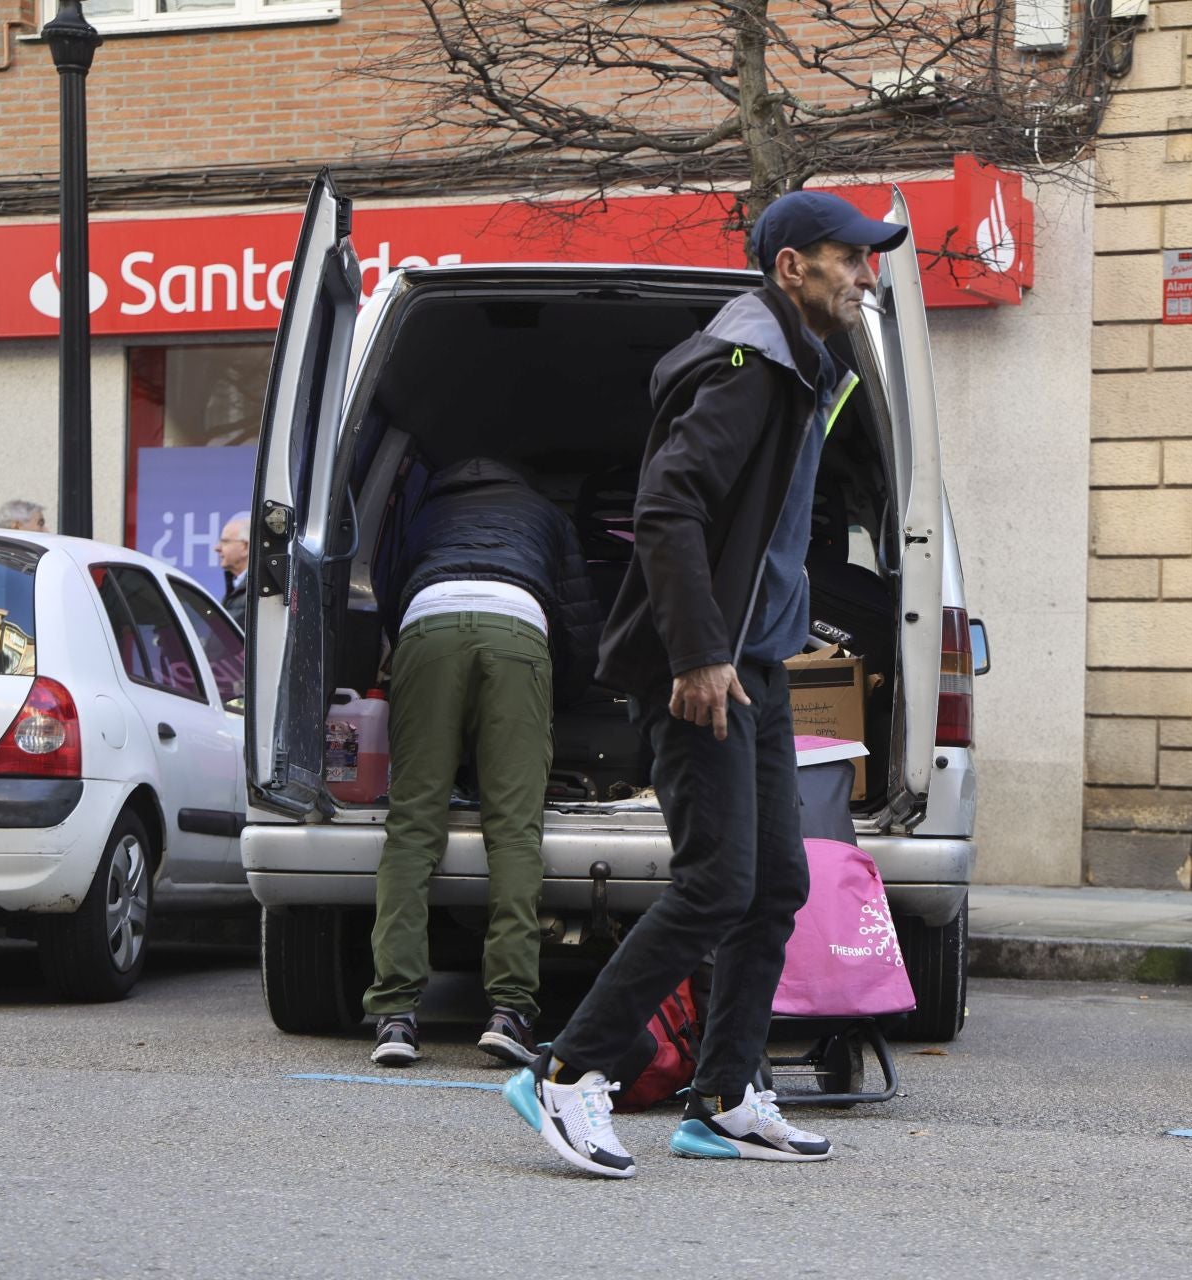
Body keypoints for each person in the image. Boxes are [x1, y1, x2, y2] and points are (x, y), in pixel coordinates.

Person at [502, 190, 905, 1178]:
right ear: (790, 268)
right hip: (705, 672)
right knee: (720, 879)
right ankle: (567, 1071)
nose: (867, 274)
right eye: (849, 257)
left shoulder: (802, 367)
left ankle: (726, 1096)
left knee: (777, 881)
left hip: (755, 663)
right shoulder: (748, 370)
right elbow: (667, 505)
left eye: (868, 257)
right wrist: (697, 653)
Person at [365, 457, 595, 1069]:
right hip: (517, 628)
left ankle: (394, 1015)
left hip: (427, 625)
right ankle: (509, 1010)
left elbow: (386, 587)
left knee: (413, 824)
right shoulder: (545, 514)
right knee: (513, 828)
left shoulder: (425, 511)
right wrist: (563, 696)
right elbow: (575, 618)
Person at [217, 517, 250, 626]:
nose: (217, 548)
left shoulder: (256, 593)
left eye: (225, 542)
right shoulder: (234, 588)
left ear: (245, 547)